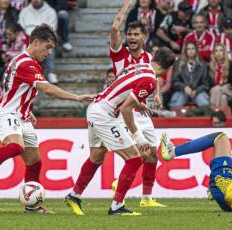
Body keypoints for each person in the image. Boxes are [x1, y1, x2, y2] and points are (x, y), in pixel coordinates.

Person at [64, 0, 169, 216]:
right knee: (135, 157)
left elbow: (138, 85)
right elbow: (114, 29)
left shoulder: (145, 62)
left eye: (135, 34)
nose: (130, 38)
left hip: (109, 107)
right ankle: (117, 205)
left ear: (144, 38)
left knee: (97, 157)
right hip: (113, 113)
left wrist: (152, 96)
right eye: (128, 34)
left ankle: (75, 195)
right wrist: (126, 7)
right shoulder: (121, 55)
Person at [0, 24, 95, 214]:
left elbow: (15, 88)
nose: (49, 53)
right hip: (8, 114)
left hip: (22, 115)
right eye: (47, 48)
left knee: (34, 162)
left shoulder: (27, 62)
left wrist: (27, 108)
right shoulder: (25, 63)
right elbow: (46, 88)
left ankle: (32, 206)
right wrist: (77, 97)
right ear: (36, 43)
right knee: (16, 146)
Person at [18, 0, 58, 83]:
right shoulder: (24, 11)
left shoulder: (50, 11)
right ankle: (25, 73)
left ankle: (51, 73)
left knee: (49, 46)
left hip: (44, 38)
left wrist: (42, 39)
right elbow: (21, 26)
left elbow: (52, 28)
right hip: (28, 37)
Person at [169, 41, 210, 108]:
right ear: (185, 51)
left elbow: (206, 84)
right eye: (188, 49)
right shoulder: (178, 63)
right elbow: (175, 81)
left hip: (198, 92)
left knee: (205, 104)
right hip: (182, 91)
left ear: (196, 50)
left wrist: (196, 91)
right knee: (175, 106)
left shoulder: (202, 64)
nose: (191, 51)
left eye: (193, 48)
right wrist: (184, 87)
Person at [209, 43, 232, 109]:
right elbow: (208, 83)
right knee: (223, 97)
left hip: (228, 89)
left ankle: (215, 111)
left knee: (216, 89)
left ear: (224, 52)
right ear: (214, 53)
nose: (218, 53)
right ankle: (223, 115)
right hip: (215, 91)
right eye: (216, 51)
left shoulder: (231, 64)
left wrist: (224, 84)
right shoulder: (210, 66)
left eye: (221, 50)